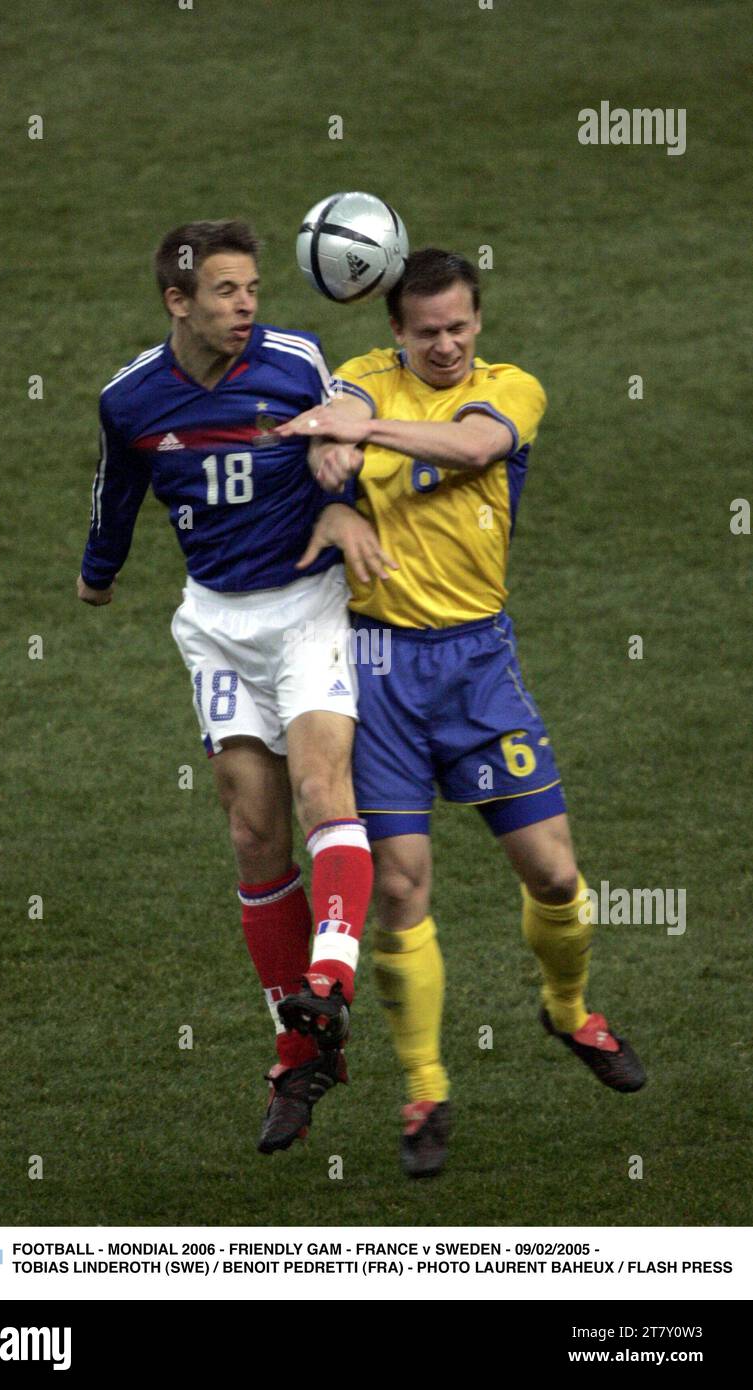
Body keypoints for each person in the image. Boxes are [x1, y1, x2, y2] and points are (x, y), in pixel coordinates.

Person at [279, 247, 646, 1178]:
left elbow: (478, 447)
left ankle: (567, 1011)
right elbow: (339, 429)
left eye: (459, 327)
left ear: (476, 323)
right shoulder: (361, 380)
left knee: (555, 874)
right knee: (400, 888)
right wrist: (334, 450)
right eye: (426, 331)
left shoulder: (509, 388)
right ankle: (425, 1090)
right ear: (394, 332)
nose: (445, 345)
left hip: (478, 664)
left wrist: (361, 440)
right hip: (378, 671)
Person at [77, 219, 391, 1155]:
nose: (246, 304)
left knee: (319, 787)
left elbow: (345, 441)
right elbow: (117, 492)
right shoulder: (130, 400)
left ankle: (326, 986)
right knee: (253, 830)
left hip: (308, 608)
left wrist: (340, 481)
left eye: (251, 287)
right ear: (179, 302)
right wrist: (97, 573)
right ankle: (307, 1057)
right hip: (214, 623)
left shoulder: (295, 362)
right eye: (225, 291)